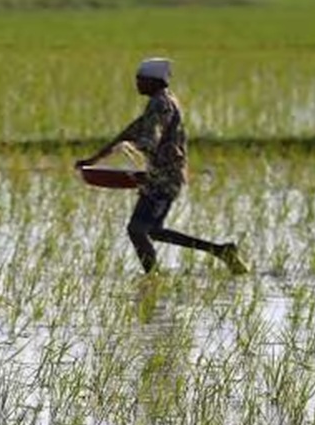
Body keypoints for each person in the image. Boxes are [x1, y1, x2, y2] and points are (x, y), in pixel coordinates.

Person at [76, 57, 248, 275]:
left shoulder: (161, 104)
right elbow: (128, 133)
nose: (137, 83)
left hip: (165, 178)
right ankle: (221, 251)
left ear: (155, 81)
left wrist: (132, 155)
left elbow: (150, 138)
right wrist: (94, 160)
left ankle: (153, 277)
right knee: (152, 231)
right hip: (159, 176)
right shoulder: (159, 102)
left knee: (137, 230)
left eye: (141, 79)